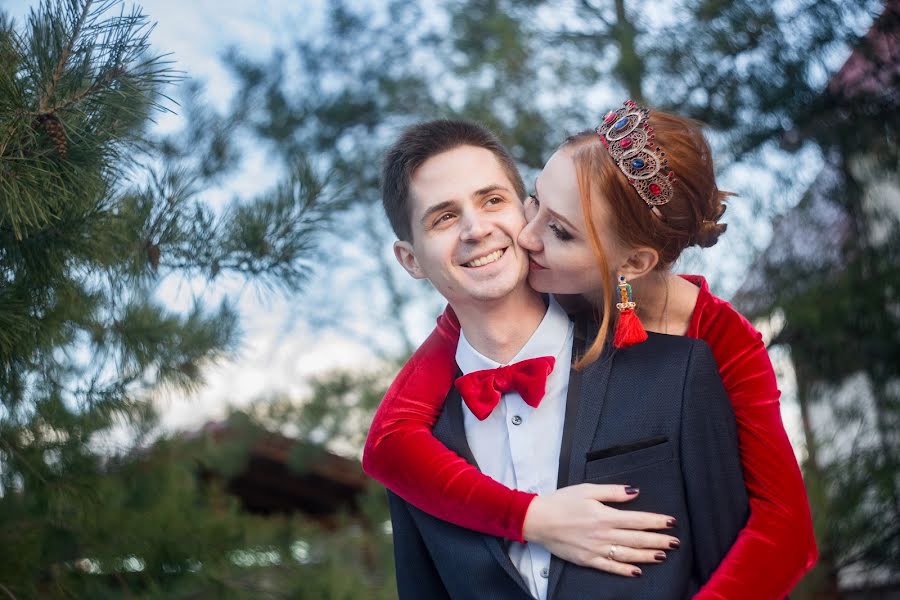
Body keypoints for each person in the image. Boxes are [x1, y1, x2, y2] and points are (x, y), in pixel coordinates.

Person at [365, 102, 818, 599]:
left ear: (631, 262)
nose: (525, 235)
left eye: (560, 231)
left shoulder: (702, 351)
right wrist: (531, 517)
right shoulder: (480, 329)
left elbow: (783, 531)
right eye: (534, 202)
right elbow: (390, 441)